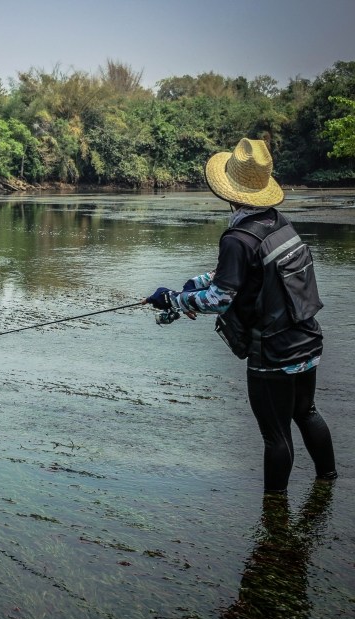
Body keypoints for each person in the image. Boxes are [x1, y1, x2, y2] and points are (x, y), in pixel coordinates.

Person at [144, 137, 337, 494]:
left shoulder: (236, 237)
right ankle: (328, 483)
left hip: (273, 352)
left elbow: (219, 299)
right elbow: (244, 276)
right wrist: (191, 287)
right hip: (307, 339)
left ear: (229, 190)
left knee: (276, 437)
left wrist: (173, 300)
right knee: (306, 412)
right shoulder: (278, 222)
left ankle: (274, 518)